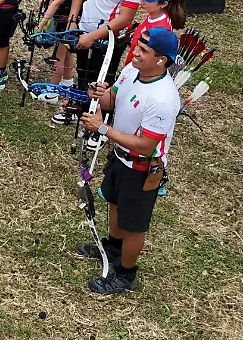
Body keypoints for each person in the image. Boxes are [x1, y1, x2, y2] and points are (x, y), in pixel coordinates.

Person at [77, 27, 182, 294]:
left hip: (140, 168)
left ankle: (126, 275)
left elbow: (147, 146)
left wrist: (103, 129)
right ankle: (113, 248)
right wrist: (100, 95)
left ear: (161, 60)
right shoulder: (131, 72)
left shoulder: (163, 99)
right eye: (137, 46)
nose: (135, 53)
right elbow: (114, 99)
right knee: (114, 204)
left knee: (133, 225)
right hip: (120, 158)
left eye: (144, 51)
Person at [52, 0, 148, 128]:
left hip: (108, 38)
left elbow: (125, 18)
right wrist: (73, 21)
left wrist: (92, 37)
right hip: (84, 28)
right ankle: (80, 109)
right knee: (84, 72)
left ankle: (100, 124)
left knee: (101, 80)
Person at [37, 0, 88, 88]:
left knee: (57, 56)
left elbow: (57, 2)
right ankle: (67, 81)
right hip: (67, 21)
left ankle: (52, 90)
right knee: (66, 52)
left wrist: (41, 24)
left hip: (65, 22)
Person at [124, 0, 186, 65]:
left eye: (149, 0)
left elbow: (150, 60)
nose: (141, 2)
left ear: (163, 4)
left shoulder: (160, 30)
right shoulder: (153, 14)